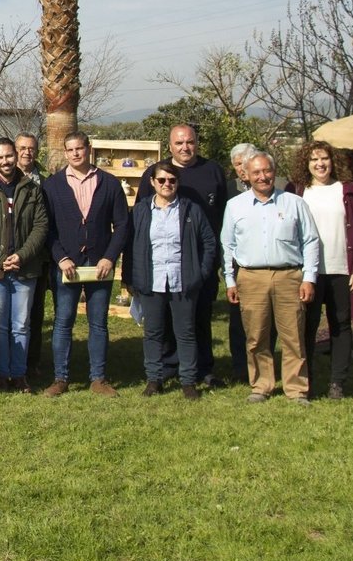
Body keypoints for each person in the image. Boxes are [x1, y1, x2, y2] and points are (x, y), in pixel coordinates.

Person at [135, 124, 231, 387]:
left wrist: (207, 266)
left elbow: (223, 214)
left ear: (196, 143)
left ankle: (202, 369)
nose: (185, 147)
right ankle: (167, 367)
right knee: (163, 321)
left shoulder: (213, 171)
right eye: (179, 143)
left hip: (199, 262)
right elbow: (142, 218)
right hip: (163, 265)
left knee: (199, 318)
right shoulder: (156, 173)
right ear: (170, 146)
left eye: (189, 142)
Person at [223, 152, 320, 405]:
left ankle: (296, 389)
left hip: (289, 276)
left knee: (293, 336)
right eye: (256, 172)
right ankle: (261, 385)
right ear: (246, 175)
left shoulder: (294, 203)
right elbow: (227, 246)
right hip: (251, 277)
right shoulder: (236, 206)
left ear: (274, 172)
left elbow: (310, 241)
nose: (262, 177)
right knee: (256, 336)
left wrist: (309, 278)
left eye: (267, 171)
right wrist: (230, 281)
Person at [41, 132, 129, 397]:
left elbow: (123, 225)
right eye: (70, 150)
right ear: (65, 153)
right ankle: (60, 378)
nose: (76, 153)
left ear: (88, 149)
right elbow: (47, 228)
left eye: (80, 148)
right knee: (63, 321)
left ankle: (98, 378)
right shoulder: (52, 185)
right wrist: (61, 257)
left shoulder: (109, 183)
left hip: (99, 263)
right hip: (67, 265)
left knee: (98, 322)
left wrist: (109, 257)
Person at [124, 163, 217, 400]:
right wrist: (129, 278)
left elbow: (209, 242)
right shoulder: (141, 210)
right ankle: (154, 379)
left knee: (185, 333)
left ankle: (188, 381)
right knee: (153, 333)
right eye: (162, 180)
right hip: (151, 281)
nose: (167, 184)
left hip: (183, 281)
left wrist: (201, 272)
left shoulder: (191, 210)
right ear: (152, 182)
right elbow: (130, 246)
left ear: (178, 182)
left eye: (172, 180)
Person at [286, 141, 353, 400]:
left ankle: (337, 383)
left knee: (340, 326)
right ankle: (305, 382)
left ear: (333, 161)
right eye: (313, 160)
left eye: (324, 159)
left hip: (341, 270)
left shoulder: (347, 191)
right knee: (306, 326)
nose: (319, 164)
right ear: (306, 163)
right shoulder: (297, 191)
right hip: (308, 273)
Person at [0, 137, 49, 393]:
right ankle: (0, 373)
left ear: (15, 156)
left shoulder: (31, 188)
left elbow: (41, 226)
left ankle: (19, 374)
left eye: (9, 156)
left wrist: (22, 255)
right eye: (0, 157)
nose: (5, 161)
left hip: (25, 269)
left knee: (21, 325)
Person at [223, 142, 261, 381]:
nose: (240, 169)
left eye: (243, 163)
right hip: (239, 262)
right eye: (236, 164)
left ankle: (261, 364)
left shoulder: (276, 187)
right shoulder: (230, 190)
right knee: (238, 318)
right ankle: (239, 366)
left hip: (265, 262)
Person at [13, 133, 50, 375]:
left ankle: (31, 362)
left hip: (37, 257)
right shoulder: (3, 178)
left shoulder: (47, 182)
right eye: (22, 148)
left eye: (31, 148)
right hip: (7, 257)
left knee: (34, 313)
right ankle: (6, 360)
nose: (27, 152)